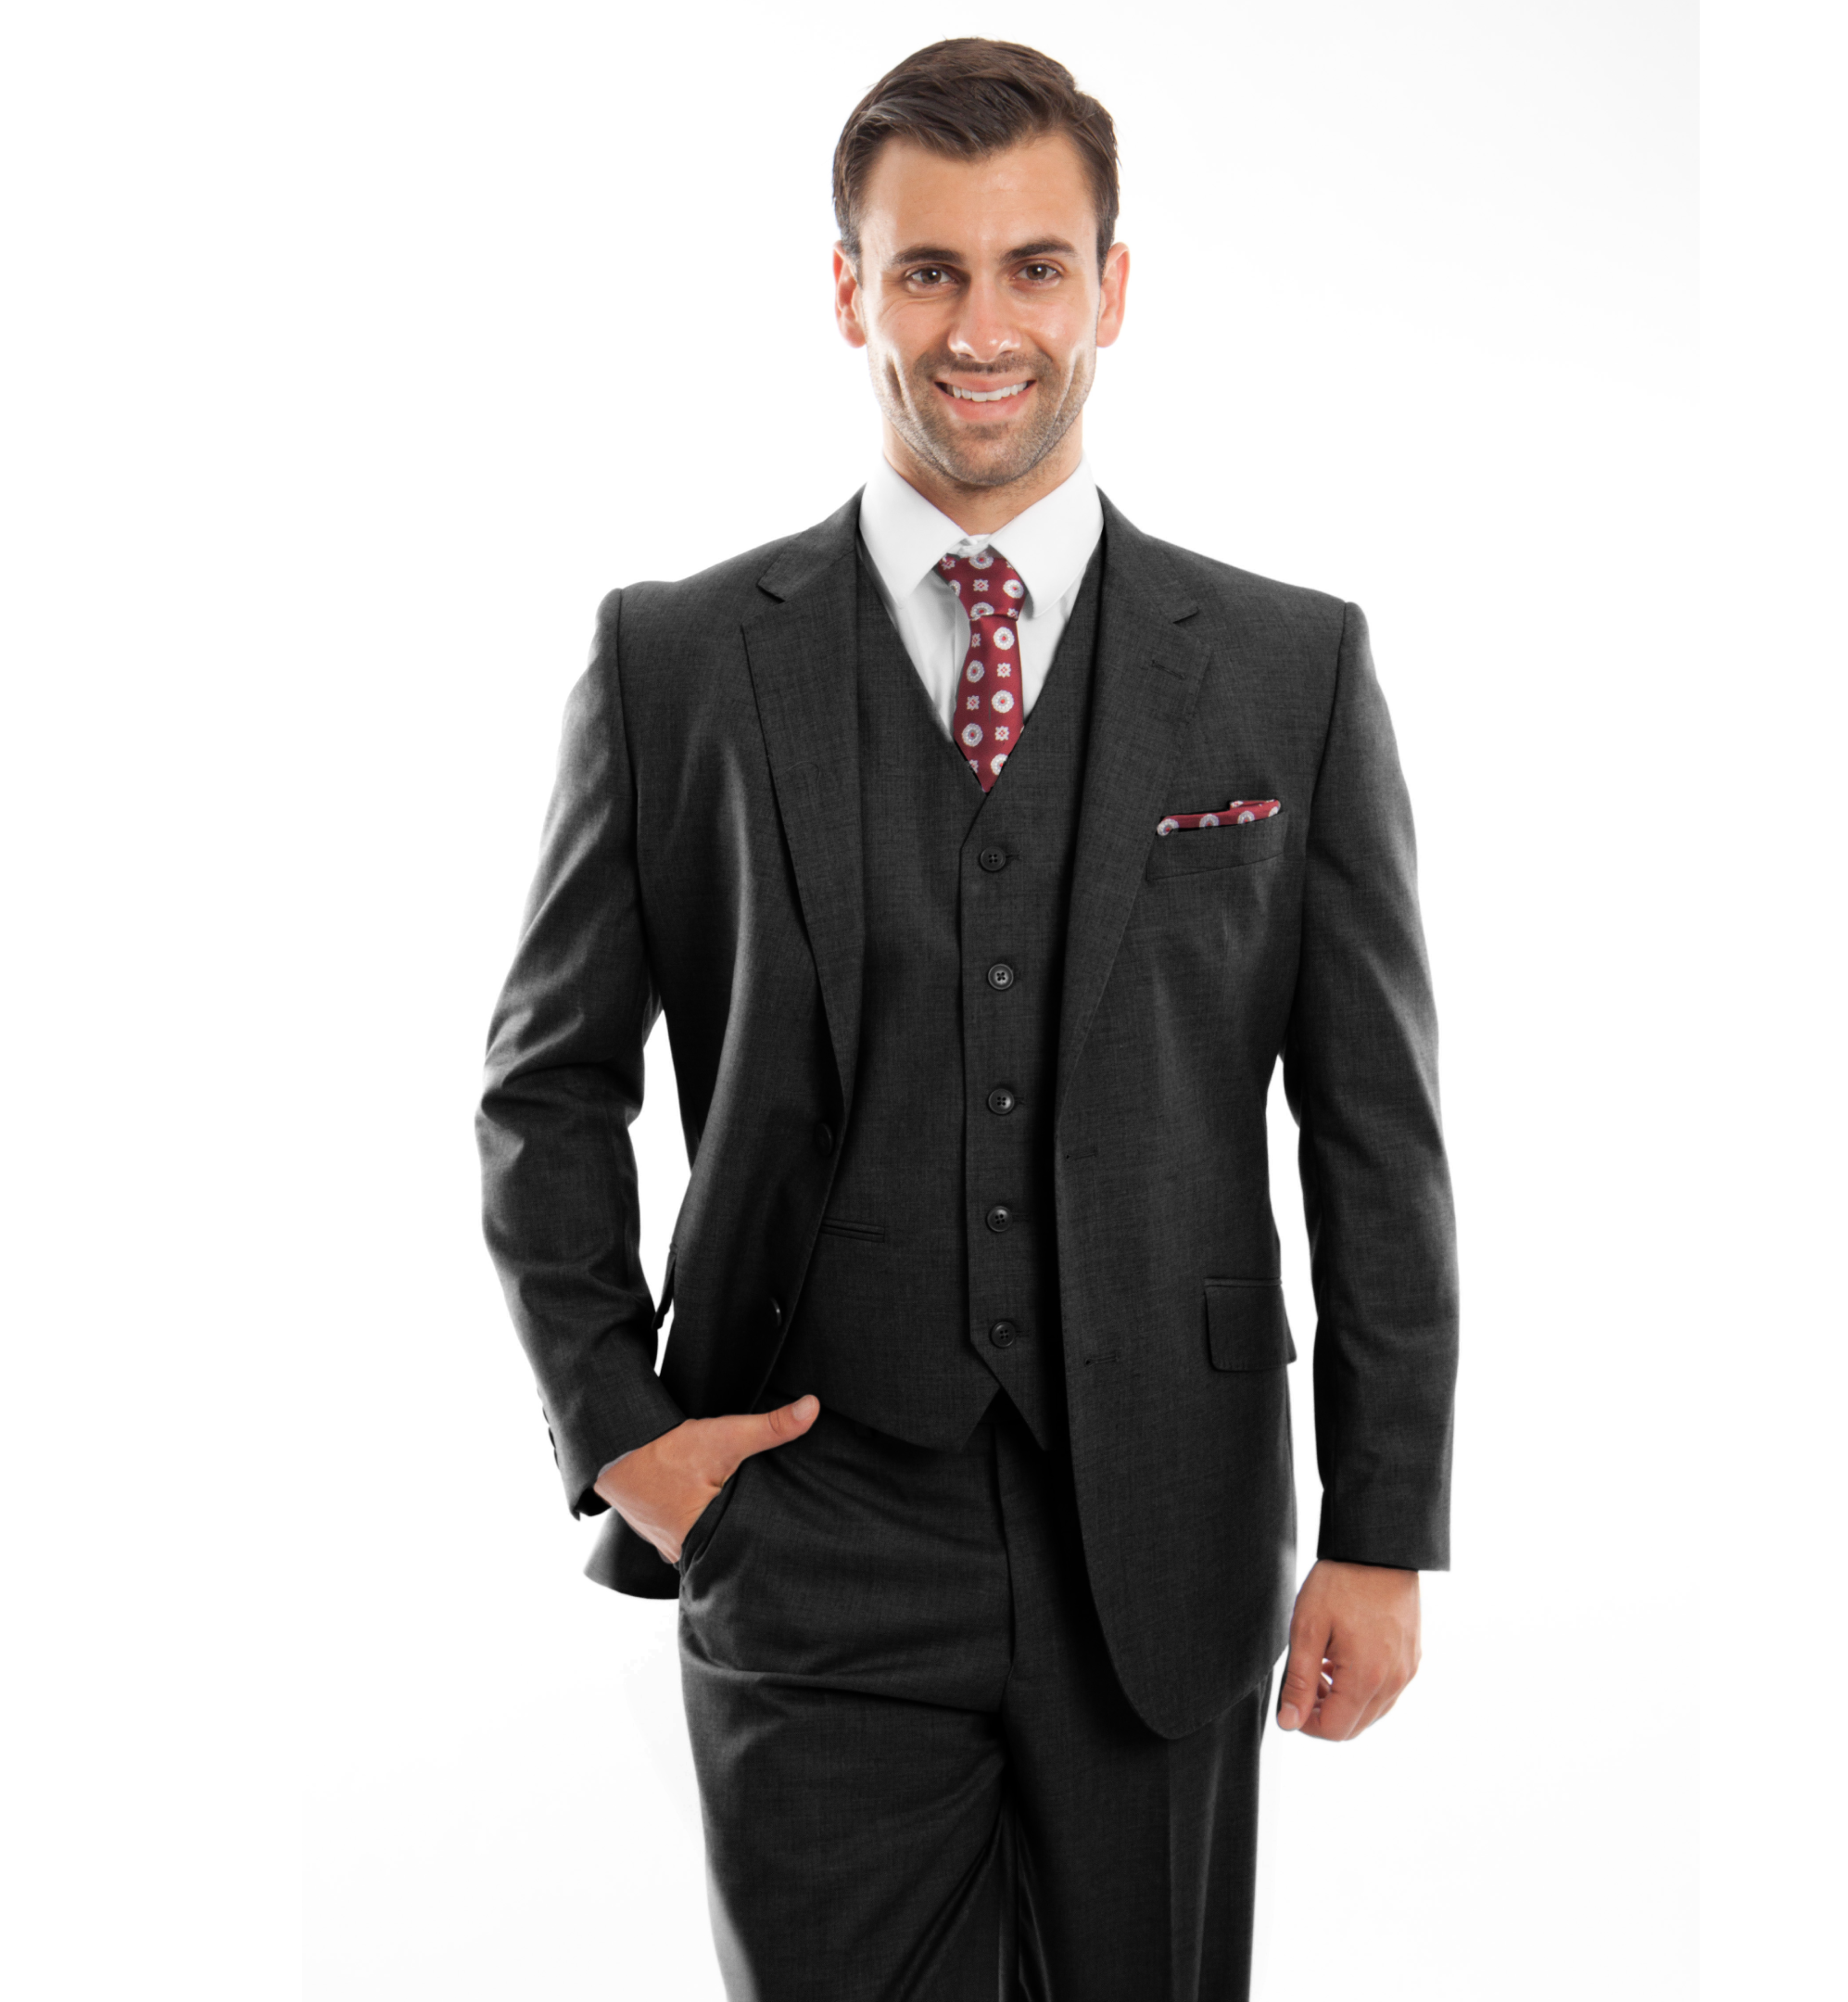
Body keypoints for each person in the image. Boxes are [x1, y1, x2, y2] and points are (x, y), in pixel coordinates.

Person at [476, 37, 1457, 2001]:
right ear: (850, 289)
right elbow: (548, 1090)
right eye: (927, 270)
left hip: (1167, 1523)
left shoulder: (1289, 666)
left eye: (1033, 268)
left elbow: (1374, 1131)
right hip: (805, 1521)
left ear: (1113, 287)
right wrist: (624, 1434)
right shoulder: (676, 661)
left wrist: (1382, 1523)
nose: (981, 328)